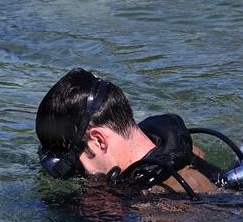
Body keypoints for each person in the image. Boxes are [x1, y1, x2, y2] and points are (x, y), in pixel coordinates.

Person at [35, 68, 221, 196]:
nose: (81, 175)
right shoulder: (189, 152)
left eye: (74, 163)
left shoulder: (161, 207)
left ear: (100, 140)